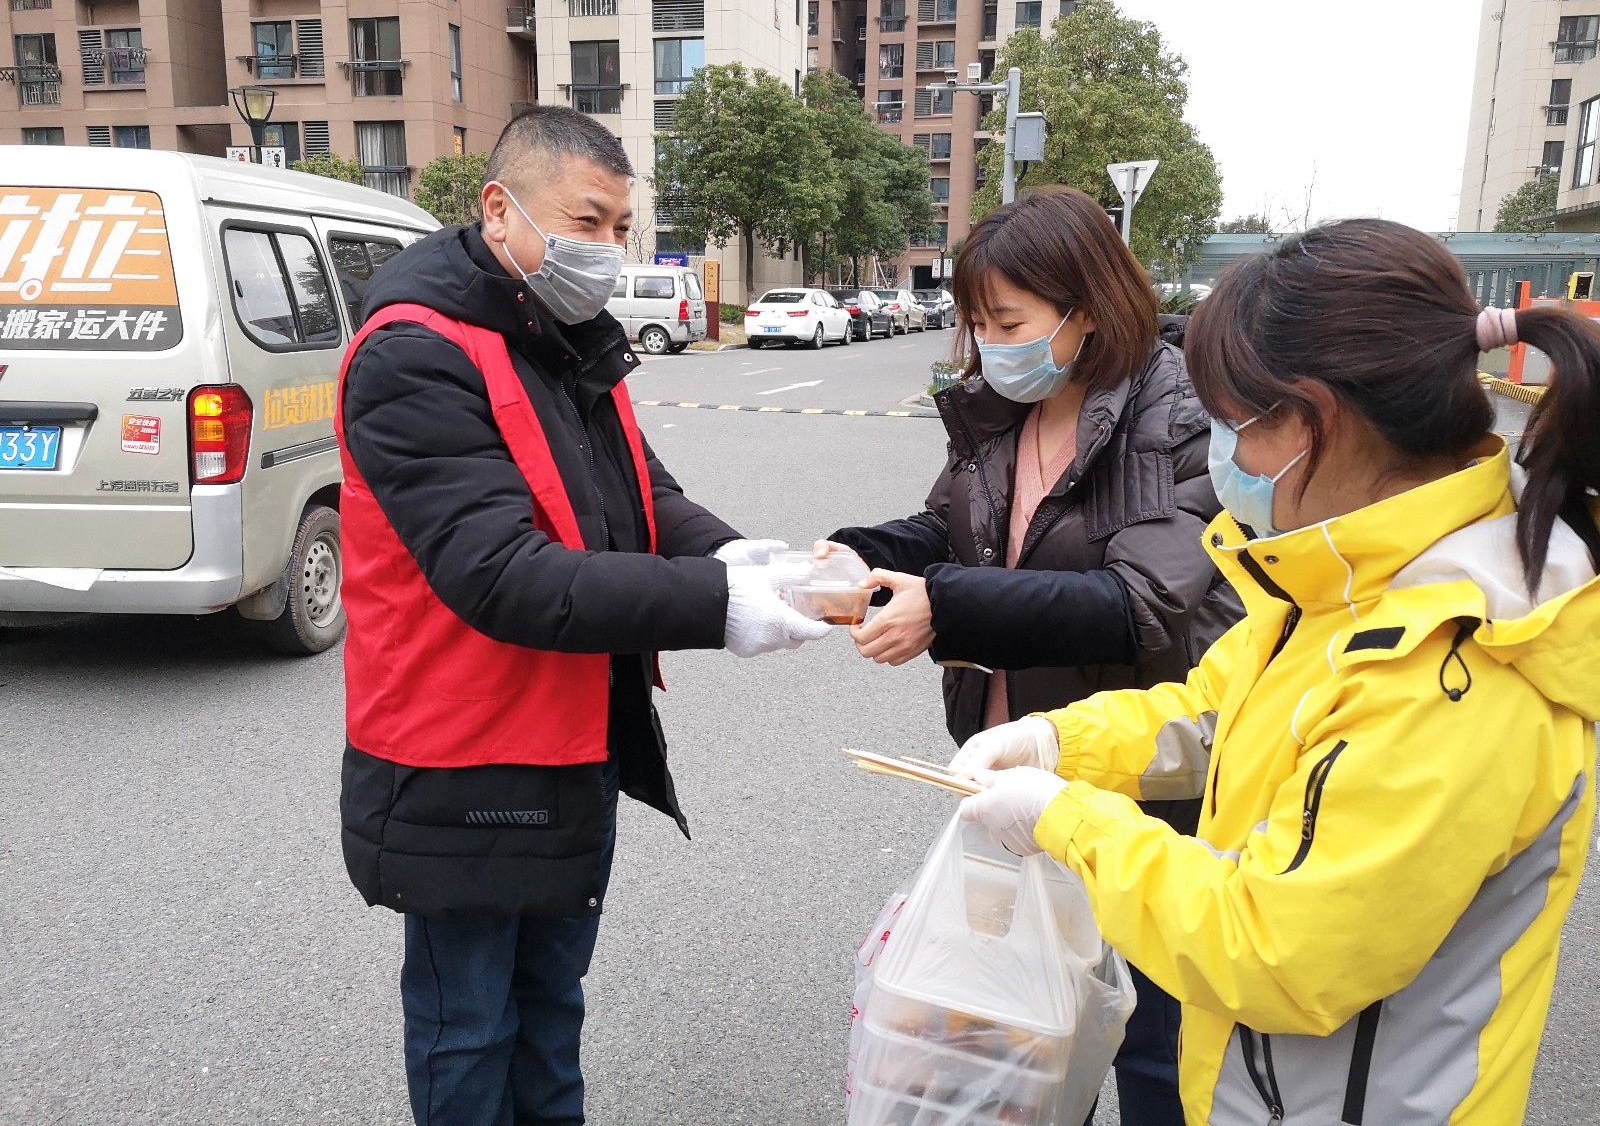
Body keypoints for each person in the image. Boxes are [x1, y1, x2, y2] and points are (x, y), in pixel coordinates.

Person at [955, 219, 1600, 1125]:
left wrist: (1068, 822)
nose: (1224, 457)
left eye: (1232, 425)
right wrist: (1059, 742)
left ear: (1313, 418)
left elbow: (1274, 948)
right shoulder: (1347, 575)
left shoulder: (1456, 663)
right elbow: (1218, 709)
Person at [335, 106, 830, 1126]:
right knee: (469, 1028)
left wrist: (741, 559)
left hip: (573, 735)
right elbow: (502, 575)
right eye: (587, 222)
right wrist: (720, 604)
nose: (608, 249)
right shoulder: (413, 356)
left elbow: (641, 495)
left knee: (551, 1009)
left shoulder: (559, 338)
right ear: (499, 210)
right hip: (463, 754)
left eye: (621, 227)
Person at [824, 186, 1240, 1124]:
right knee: (1027, 1030)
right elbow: (953, 528)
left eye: (1008, 322)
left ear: (1085, 310)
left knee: (1152, 1038)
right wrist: (860, 556)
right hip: (1011, 767)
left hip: (1138, 784)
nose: (988, 345)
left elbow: (1142, 604)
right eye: (976, 324)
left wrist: (945, 610)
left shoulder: (1176, 415)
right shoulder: (1007, 406)